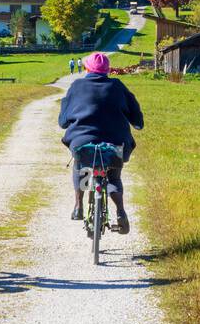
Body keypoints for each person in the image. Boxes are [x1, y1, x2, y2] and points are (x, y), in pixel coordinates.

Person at [58, 52, 144, 234]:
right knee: (113, 177)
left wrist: (67, 122)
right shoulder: (118, 86)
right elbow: (136, 115)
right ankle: (120, 211)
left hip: (83, 142)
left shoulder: (77, 86)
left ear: (87, 68)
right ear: (108, 70)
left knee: (81, 168)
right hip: (114, 144)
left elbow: (63, 120)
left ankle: (78, 206)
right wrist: (137, 123)